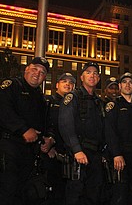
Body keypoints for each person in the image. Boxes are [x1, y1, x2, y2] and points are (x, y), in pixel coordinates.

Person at [0, 56, 52, 204]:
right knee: (7, 191)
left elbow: (45, 123)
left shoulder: (40, 97)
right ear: (27, 69)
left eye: (42, 72)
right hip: (9, 147)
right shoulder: (12, 85)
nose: (37, 73)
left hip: (29, 152)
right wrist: (23, 129)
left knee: (24, 193)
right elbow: (3, 110)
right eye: (35, 69)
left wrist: (48, 140)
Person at [58, 61, 106, 205]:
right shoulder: (73, 97)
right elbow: (66, 125)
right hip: (79, 155)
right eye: (88, 72)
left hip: (95, 156)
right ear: (82, 77)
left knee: (93, 195)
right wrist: (77, 150)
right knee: (76, 195)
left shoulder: (99, 101)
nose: (92, 75)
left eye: (95, 73)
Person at [104, 72, 132, 205]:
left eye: (130, 82)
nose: (128, 85)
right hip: (120, 157)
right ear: (120, 86)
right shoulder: (113, 106)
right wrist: (116, 154)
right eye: (125, 82)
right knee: (119, 195)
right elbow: (110, 132)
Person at [45, 72, 76, 204]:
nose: (67, 84)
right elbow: (44, 123)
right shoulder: (49, 101)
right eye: (64, 81)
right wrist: (49, 146)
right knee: (53, 193)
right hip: (54, 154)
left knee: (69, 192)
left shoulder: (75, 104)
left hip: (71, 154)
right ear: (56, 85)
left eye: (70, 82)